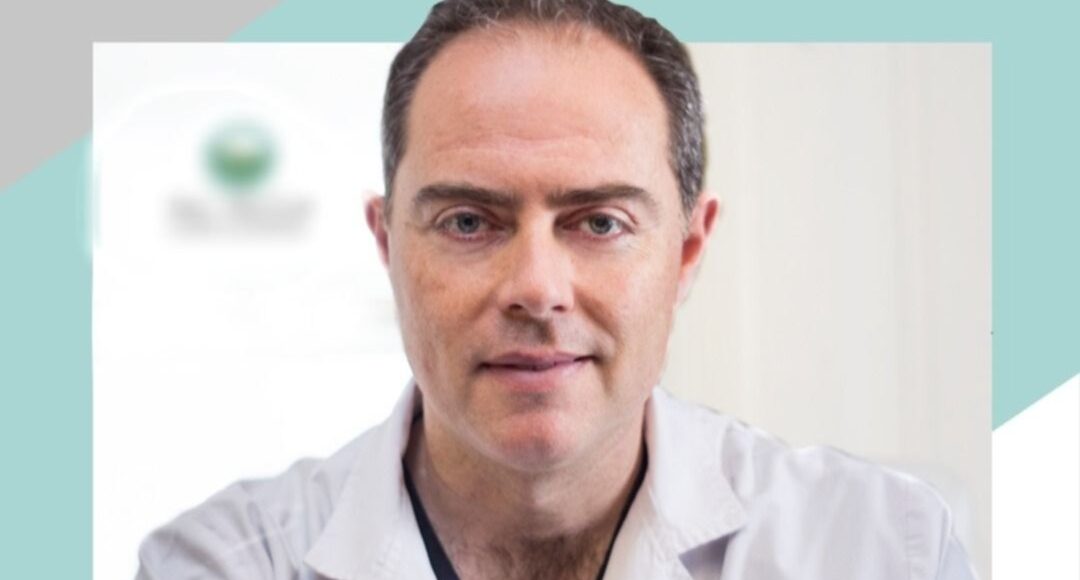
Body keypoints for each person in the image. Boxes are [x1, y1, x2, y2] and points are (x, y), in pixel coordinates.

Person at [136, 1, 979, 578]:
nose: (536, 289)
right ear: (388, 245)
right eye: (470, 221)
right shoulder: (222, 564)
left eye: (599, 222)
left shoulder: (881, 550)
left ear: (687, 251)